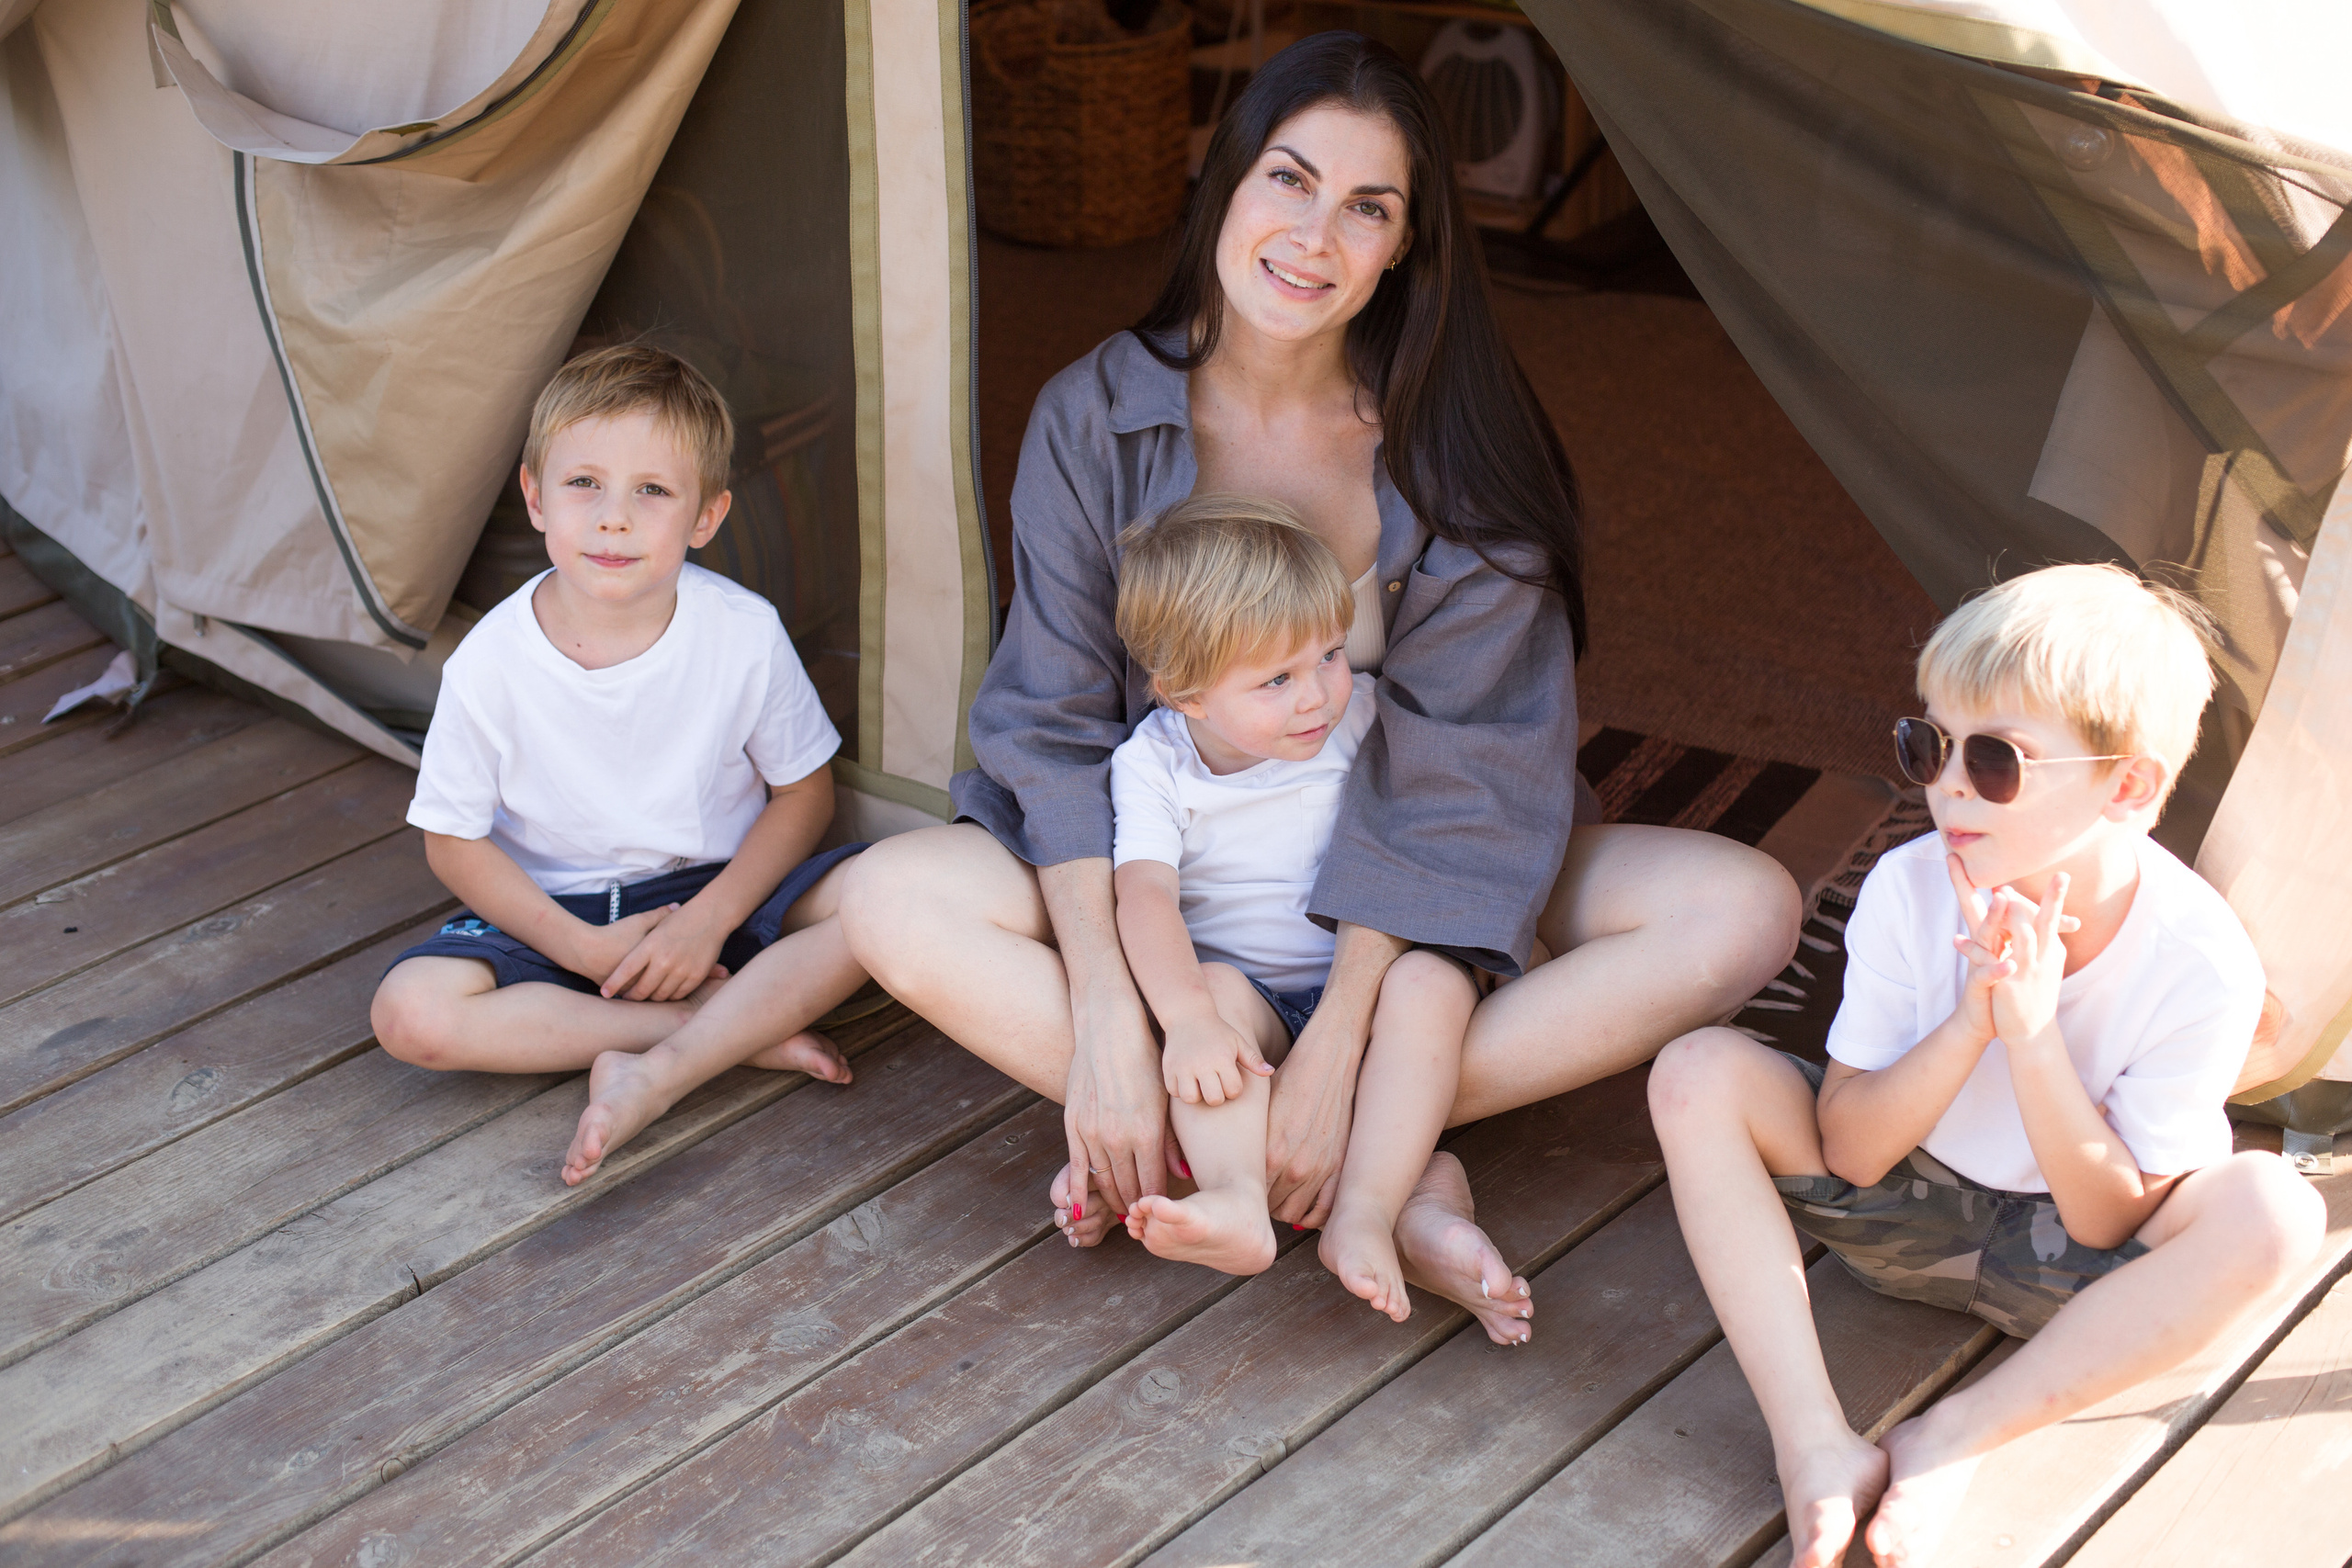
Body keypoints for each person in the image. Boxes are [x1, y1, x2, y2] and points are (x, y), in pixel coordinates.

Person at [837, 29, 1799, 1348]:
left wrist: (1343, 1029)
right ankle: (1346, 1157)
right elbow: (1051, 726)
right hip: (1172, 871)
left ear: (1405, 245)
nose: (1314, 233)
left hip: (1405, 914)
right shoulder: (1096, 414)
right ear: (1224, 188)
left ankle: (1289, 1128)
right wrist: (1118, 1016)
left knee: (1740, 908)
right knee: (888, 891)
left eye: (1367, 207)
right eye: (1288, 180)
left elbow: (1466, 772)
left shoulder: (1459, 452)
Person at [1646, 564, 2325, 1568]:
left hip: (2075, 1271)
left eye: (1997, 760)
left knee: (2277, 1212)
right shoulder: (1908, 887)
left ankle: (1954, 1435)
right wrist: (1970, 1019)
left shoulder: (2200, 959)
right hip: (1896, 1212)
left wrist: (2033, 1031)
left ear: (2127, 786)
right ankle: (1813, 1447)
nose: (1947, 785)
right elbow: (1853, 1151)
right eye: (1927, 745)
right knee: (1696, 1068)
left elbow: (2109, 1220)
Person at [370, 346, 869, 1168]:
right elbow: (453, 841)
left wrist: (708, 923)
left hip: (719, 892)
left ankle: (706, 1016)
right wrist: (582, 948)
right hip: (557, 910)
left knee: (879, 907)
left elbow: (803, 795)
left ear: (705, 516)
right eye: (584, 483)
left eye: (653, 491)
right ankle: (710, 1030)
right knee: (411, 1012)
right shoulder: (490, 662)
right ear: (535, 496)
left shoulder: (741, 632)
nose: (614, 517)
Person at [1108, 496, 1485, 1328]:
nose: (1317, 694)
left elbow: (1428, 831)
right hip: (1260, 999)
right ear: (1185, 694)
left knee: (1433, 981)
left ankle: (1366, 1212)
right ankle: (1239, 1198)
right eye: (1276, 679)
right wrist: (1188, 1019)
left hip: (1367, 993)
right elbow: (1143, 895)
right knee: (1213, 1000)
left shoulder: (1365, 716)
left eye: (1329, 654)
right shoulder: (1155, 766)